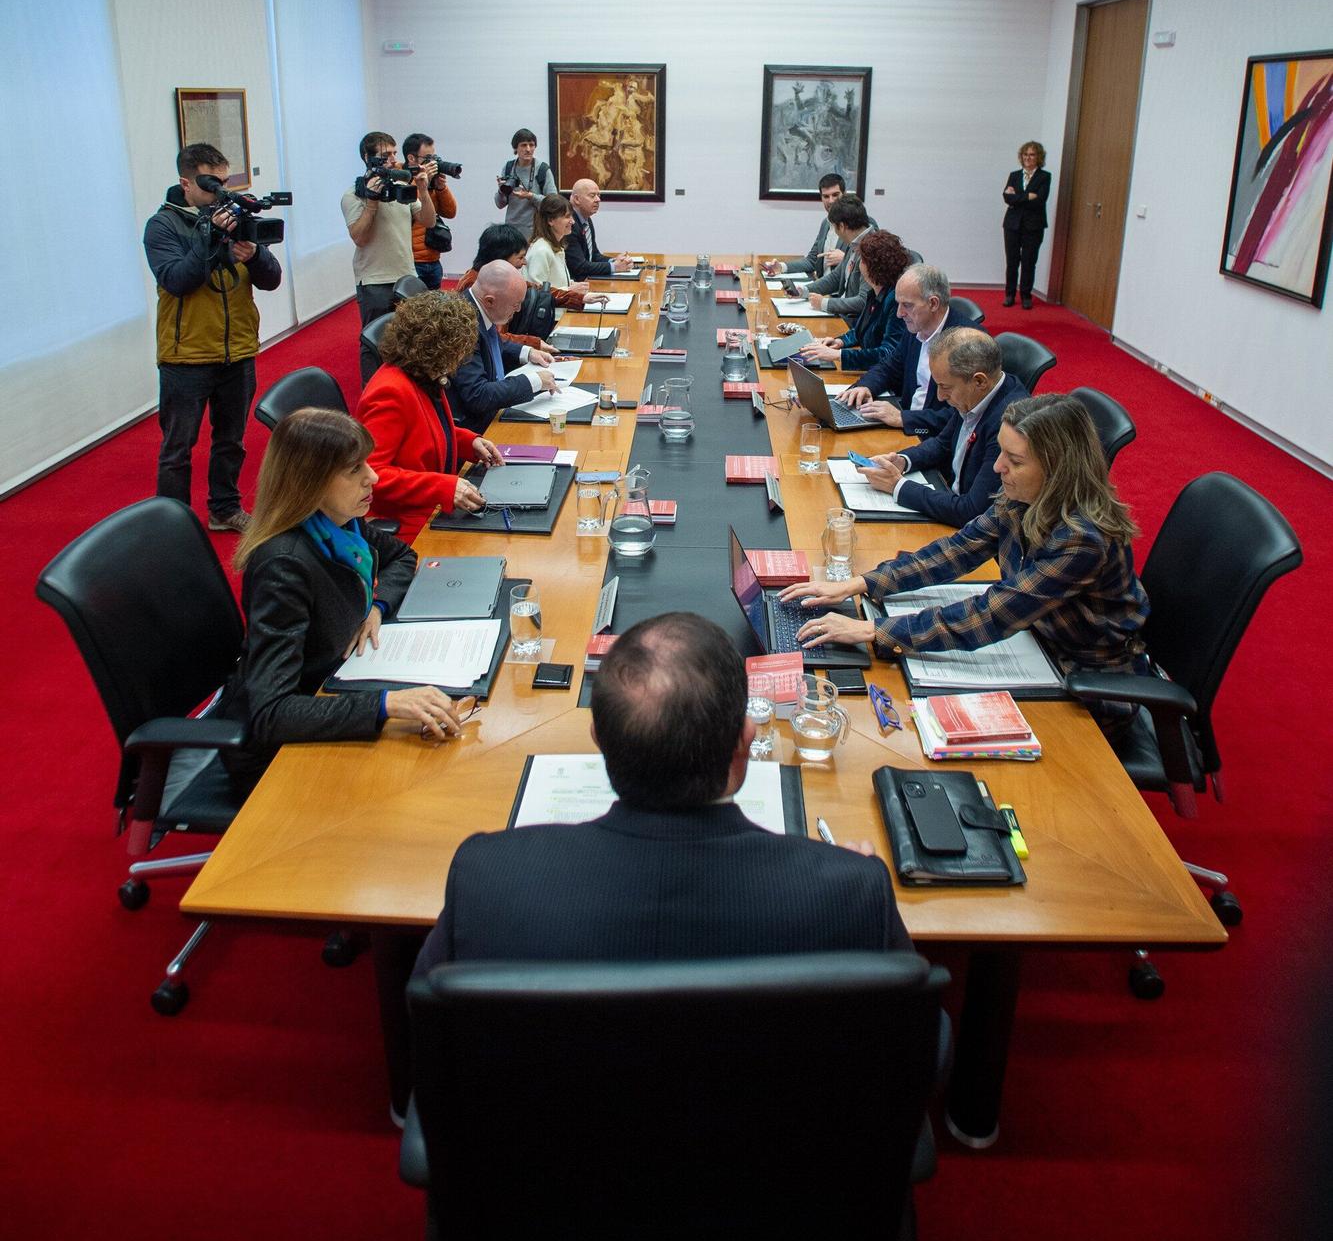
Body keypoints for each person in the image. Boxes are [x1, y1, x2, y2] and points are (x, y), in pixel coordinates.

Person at [416, 611, 911, 972]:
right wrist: (844, 877)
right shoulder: (851, 892)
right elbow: (924, 1053)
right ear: (746, 741)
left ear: (598, 740)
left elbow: (433, 1037)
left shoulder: (484, 879)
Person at [783, 395, 1150, 702]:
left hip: (1082, 678)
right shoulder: (1025, 495)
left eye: (1015, 460)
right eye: (1001, 452)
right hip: (1034, 639)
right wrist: (860, 584)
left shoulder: (1081, 538)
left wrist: (873, 631)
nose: (998, 466)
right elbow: (957, 550)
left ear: (1057, 470)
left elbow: (991, 615)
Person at [220, 408, 471, 796]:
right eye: (355, 470)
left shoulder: (340, 524)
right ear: (311, 482)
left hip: (341, 682)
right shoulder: (284, 565)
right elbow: (272, 712)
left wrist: (376, 606)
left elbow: (402, 557)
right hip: (283, 751)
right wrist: (385, 705)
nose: (373, 477)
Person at [143, 141, 283, 532]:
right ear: (186, 183)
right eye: (211, 184)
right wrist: (210, 238)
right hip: (186, 355)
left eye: (225, 182)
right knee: (178, 448)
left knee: (231, 440)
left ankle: (224, 508)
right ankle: (173, 526)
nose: (220, 192)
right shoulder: (163, 226)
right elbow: (177, 280)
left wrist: (254, 254)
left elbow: (271, 279)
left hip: (237, 349)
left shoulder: (233, 217)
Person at [357, 294, 506, 541]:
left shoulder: (422, 374)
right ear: (441, 350)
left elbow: (425, 431)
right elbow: (371, 474)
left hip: (431, 506)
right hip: (406, 521)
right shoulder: (390, 392)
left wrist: (468, 442)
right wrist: (442, 487)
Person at [862, 328, 1028, 528]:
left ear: (979, 381)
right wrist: (903, 461)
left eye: (945, 387)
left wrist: (898, 486)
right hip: (948, 497)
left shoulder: (1007, 424)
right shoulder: (975, 395)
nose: (940, 397)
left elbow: (971, 511)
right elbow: (943, 444)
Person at [342, 132, 431, 384]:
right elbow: (359, 237)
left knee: (412, 341)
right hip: (375, 280)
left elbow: (428, 221)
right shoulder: (353, 195)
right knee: (375, 343)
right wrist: (372, 202)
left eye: (394, 153)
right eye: (385, 155)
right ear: (367, 158)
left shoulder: (403, 189)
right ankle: (373, 393)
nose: (393, 159)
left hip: (406, 275)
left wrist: (423, 191)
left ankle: (406, 391)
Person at [843, 265, 973, 436]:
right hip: (905, 423)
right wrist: (865, 386)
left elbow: (962, 416)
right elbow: (890, 366)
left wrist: (904, 418)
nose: (899, 313)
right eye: (898, 304)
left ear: (933, 303)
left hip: (931, 435)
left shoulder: (967, 344)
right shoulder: (917, 326)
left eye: (907, 305)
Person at [448, 261, 560, 428]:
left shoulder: (477, 307)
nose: (519, 309)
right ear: (490, 301)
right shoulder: (461, 327)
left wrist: (527, 352)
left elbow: (492, 343)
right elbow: (478, 395)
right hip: (477, 427)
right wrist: (534, 381)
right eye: (515, 304)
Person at [801, 230, 914, 372]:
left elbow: (887, 353)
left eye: (862, 259)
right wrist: (839, 341)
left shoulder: (895, 301)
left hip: (885, 376)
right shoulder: (875, 292)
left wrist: (839, 355)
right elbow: (861, 330)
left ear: (871, 266)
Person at [457, 224, 561, 351]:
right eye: (520, 257)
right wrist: (533, 344)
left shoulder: (500, 280)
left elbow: (538, 290)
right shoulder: (475, 287)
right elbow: (493, 338)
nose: (525, 262)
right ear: (501, 259)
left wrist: (579, 299)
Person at [402, 131, 458, 293]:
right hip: (411, 261)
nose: (432, 163)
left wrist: (441, 187)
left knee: (434, 307)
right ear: (411, 158)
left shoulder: (432, 181)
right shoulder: (401, 180)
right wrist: (421, 184)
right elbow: (408, 207)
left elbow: (450, 212)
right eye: (427, 158)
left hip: (433, 257)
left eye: (434, 157)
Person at [803, 193, 874, 319]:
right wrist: (804, 290)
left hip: (854, 322)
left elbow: (864, 301)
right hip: (843, 314)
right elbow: (836, 278)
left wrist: (825, 303)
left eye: (835, 228)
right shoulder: (855, 242)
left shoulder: (871, 249)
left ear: (841, 226)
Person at [1002, 139, 1051, 310]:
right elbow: (1006, 197)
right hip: (1012, 224)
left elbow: (1040, 200)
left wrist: (1016, 198)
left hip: (1034, 225)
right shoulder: (1014, 175)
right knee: (1012, 261)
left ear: (1039, 157)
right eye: (1025, 154)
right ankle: (1009, 294)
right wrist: (1027, 196)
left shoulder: (1044, 177)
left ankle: (1026, 295)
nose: (1028, 158)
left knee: (1029, 262)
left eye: (1032, 155)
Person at [494, 127, 555, 243]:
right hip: (512, 232)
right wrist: (501, 191)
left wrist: (530, 196)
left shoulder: (542, 169)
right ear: (515, 148)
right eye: (523, 145)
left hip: (536, 233)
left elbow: (553, 203)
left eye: (531, 145)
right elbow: (499, 204)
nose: (528, 149)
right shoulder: (508, 167)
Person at [566, 177, 631, 280]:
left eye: (598, 195)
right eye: (592, 196)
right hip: (575, 284)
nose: (598, 200)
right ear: (577, 199)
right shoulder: (569, 224)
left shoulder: (586, 220)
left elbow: (594, 255)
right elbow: (579, 266)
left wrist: (614, 261)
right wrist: (615, 267)